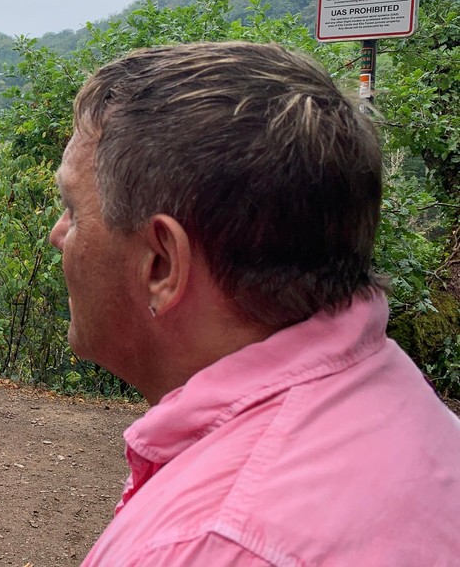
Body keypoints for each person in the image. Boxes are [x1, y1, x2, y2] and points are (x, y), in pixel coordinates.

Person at [49, 42, 460, 566]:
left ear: (161, 265)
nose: (58, 235)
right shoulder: (405, 413)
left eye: (73, 209)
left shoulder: (208, 543)